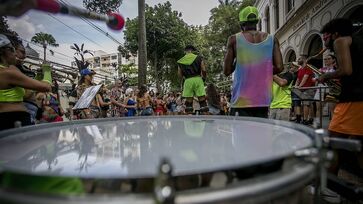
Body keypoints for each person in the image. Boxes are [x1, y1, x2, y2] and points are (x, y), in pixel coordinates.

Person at [319, 18, 363, 170]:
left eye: (325, 35)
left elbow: (346, 70)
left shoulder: (340, 41)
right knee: (357, 145)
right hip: (357, 99)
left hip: (353, 100)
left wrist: (326, 76)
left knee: (332, 142)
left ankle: (328, 185)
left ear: (334, 34)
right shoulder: (357, 41)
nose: (324, 39)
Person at [223, 6, 283, 118]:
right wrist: (261, 70)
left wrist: (240, 64)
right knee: (260, 134)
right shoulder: (272, 39)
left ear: (241, 23)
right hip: (263, 99)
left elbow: (226, 71)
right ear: (257, 21)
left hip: (241, 100)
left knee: (240, 134)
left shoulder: (233, 39)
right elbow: (279, 67)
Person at [0, 34, 51, 130]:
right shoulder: (9, 71)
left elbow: (27, 91)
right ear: (3, 51)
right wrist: (47, 71)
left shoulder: (9, 70)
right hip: (14, 120)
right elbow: (46, 87)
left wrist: (40, 75)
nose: (15, 54)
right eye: (12, 49)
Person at [177, 45, 208, 114]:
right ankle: (206, 118)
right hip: (198, 79)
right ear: (192, 50)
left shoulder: (180, 61)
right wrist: (204, 78)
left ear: (185, 51)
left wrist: (183, 81)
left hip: (187, 81)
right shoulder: (199, 58)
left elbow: (179, 75)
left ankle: (189, 121)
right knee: (202, 102)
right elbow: (204, 69)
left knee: (189, 103)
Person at [294, 55, 315, 125]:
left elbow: (305, 78)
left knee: (306, 104)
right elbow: (298, 79)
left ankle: (305, 119)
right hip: (302, 89)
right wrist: (296, 85)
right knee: (307, 104)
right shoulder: (300, 69)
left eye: (299, 59)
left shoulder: (308, 68)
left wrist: (299, 86)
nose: (298, 60)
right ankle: (310, 118)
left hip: (308, 89)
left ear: (304, 59)